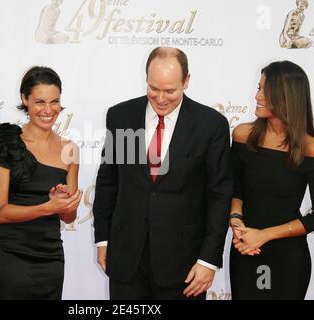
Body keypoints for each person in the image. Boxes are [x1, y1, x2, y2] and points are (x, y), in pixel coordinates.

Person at [93, 47, 233, 300]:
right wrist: (102, 240)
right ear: (146, 78)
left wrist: (208, 260)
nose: (160, 98)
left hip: (185, 266)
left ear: (186, 81)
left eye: (170, 91)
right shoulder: (121, 116)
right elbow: (108, 183)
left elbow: (219, 196)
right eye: (153, 88)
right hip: (127, 262)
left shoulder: (211, 125)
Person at [229, 60, 314, 300]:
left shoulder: (310, 148)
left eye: (264, 90)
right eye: (258, 87)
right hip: (246, 250)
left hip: (288, 258)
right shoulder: (242, 135)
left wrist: (264, 235)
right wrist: (237, 223)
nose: (257, 96)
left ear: (285, 96)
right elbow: (235, 190)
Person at [0, 66, 82, 299]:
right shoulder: (6, 143)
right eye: (39, 102)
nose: (48, 110)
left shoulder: (70, 149)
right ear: (24, 99)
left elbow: (69, 217)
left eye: (54, 102)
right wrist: (48, 207)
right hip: (10, 256)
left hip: (50, 259)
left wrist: (64, 204)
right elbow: (0, 212)